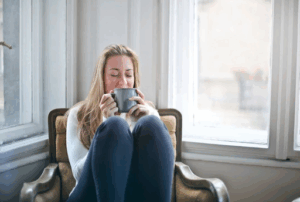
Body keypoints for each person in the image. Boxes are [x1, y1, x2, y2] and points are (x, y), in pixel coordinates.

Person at [64, 44, 175, 202]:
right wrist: (106, 122)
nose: (123, 82)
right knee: (115, 126)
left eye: (129, 75)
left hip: (134, 195)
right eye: (114, 75)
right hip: (89, 195)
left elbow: (162, 170)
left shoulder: (148, 114)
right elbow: (79, 174)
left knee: (152, 123)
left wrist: (149, 116)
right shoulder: (79, 114)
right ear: (101, 78)